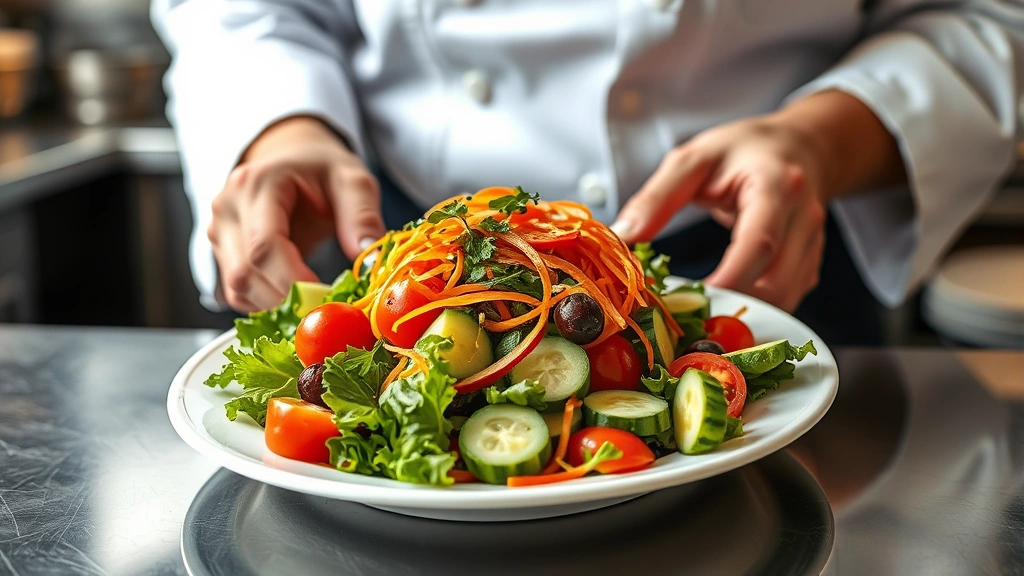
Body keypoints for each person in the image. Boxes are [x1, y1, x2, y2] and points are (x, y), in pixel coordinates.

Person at [151, 1, 1023, 341]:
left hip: (756, 261)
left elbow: (991, 15)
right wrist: (280, 129)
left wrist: (823, 141)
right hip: (403, 270)